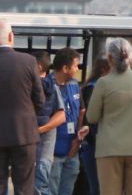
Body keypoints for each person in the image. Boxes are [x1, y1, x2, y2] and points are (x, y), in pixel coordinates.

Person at [0, 19, 45, 195]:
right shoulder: (28, 61)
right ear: (11, 36)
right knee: (24, 187)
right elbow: (40, 100)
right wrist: (28, 115)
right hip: (24, 133)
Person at [86, 38, 132, 195]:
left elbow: (92, 117)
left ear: (109, 58)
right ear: (130, 57)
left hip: (110, 147)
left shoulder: (103, 83)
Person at [44, 49, 84, 195]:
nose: (77, 69)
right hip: (52, 153)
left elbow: (81, 110)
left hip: (72, 150)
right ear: (65, 68)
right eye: (75, 66)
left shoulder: (74, 85)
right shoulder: (45, 86)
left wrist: (77, 140)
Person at [35, 51, 66, 195]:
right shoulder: (28, 86)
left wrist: (41, 129)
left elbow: (61, 116)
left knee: (40, 186)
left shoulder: (53, 88)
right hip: (29, 151)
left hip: (43, 151)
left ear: (39, 66)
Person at [79, 56, 111, 195]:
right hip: (93, 143)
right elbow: (91, 117)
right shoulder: (93, 88)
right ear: (104, 70)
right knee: (97, 186)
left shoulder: (92, 86)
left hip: (96, 143)